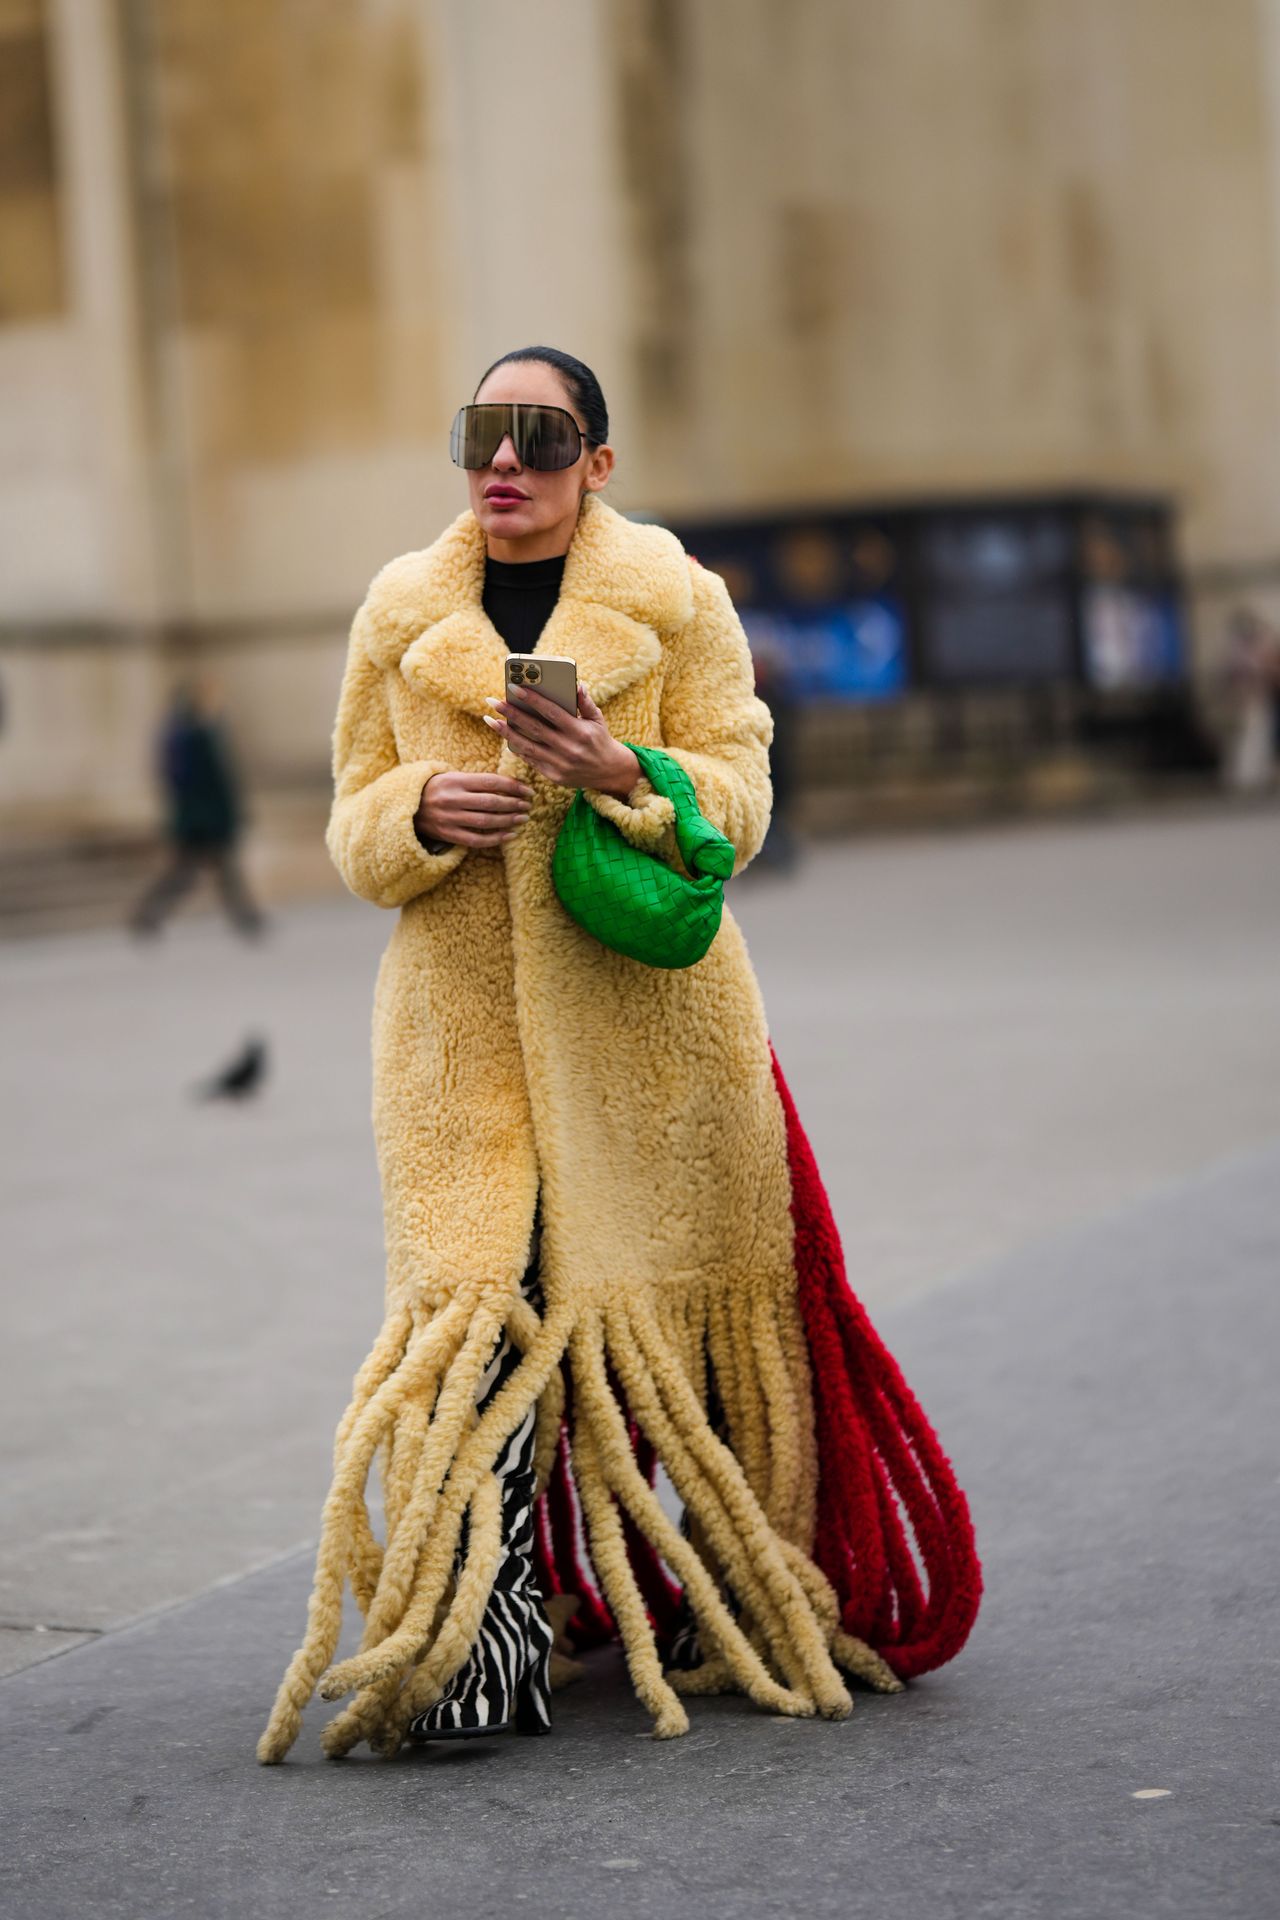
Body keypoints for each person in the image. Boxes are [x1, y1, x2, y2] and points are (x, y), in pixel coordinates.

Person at [257, 347, 981, 1765]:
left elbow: (744, 795)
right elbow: (348, 819)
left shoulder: (679, 600)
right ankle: (479, 1642)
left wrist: (619, 773)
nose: (504, 460)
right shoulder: (401, 613)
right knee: (482, 1316)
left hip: (654, 1039)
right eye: (482, 432)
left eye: (541, 435)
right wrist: (416, 810)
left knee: (692, 1333)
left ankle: (735, 1600)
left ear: (599, 462)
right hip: (459, 1050)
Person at [129, 673, 266, 937]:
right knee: (197, 873)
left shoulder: (190, 735)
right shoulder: (195, 737)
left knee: (210, 873)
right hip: (203, 821)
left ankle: (246, 919)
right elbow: (210, 783)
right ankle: (246, 919)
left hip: (201, 819)